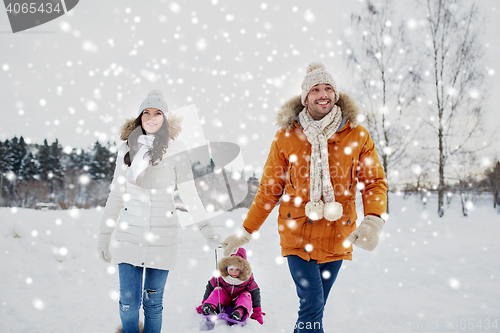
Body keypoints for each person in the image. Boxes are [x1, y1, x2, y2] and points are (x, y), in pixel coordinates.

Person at [221, 63, 387, 333]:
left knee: (315, 307)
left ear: (336, 94)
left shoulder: (357, 135)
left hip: (338, 233)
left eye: (328, 88)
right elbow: (269, 188)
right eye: (316, 89)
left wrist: (373, 220)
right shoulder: (287, 136)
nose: (323, 94)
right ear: (305, 98)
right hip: (297, 233)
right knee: (312, 303)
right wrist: (245, 230)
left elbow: (374, 181)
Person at [97, 90, 221, 333]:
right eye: (147, 112)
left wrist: (206, 228)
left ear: (164, 118)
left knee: (153, 304)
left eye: (157, 113)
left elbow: (189, 193)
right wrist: (104, 235)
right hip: (129, 235)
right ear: (139, 117)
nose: (151, 117)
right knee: (128, 304)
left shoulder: (177, 149)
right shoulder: (125, 148)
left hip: (163, 239)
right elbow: (115, 194)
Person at [196, 247, 264, 324]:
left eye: (237, 270)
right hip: (224, 300)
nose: (234, 273)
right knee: (218, 290)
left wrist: (257, 311)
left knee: (246, 295)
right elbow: (210, 286)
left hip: (239, 300)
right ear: (227, 269)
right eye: (231, 270)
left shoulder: (247, 278)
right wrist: (204, 302)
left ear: (242, 270)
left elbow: (255, 293)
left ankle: (239, 312)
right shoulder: (221, 275)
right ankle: (210, 307)